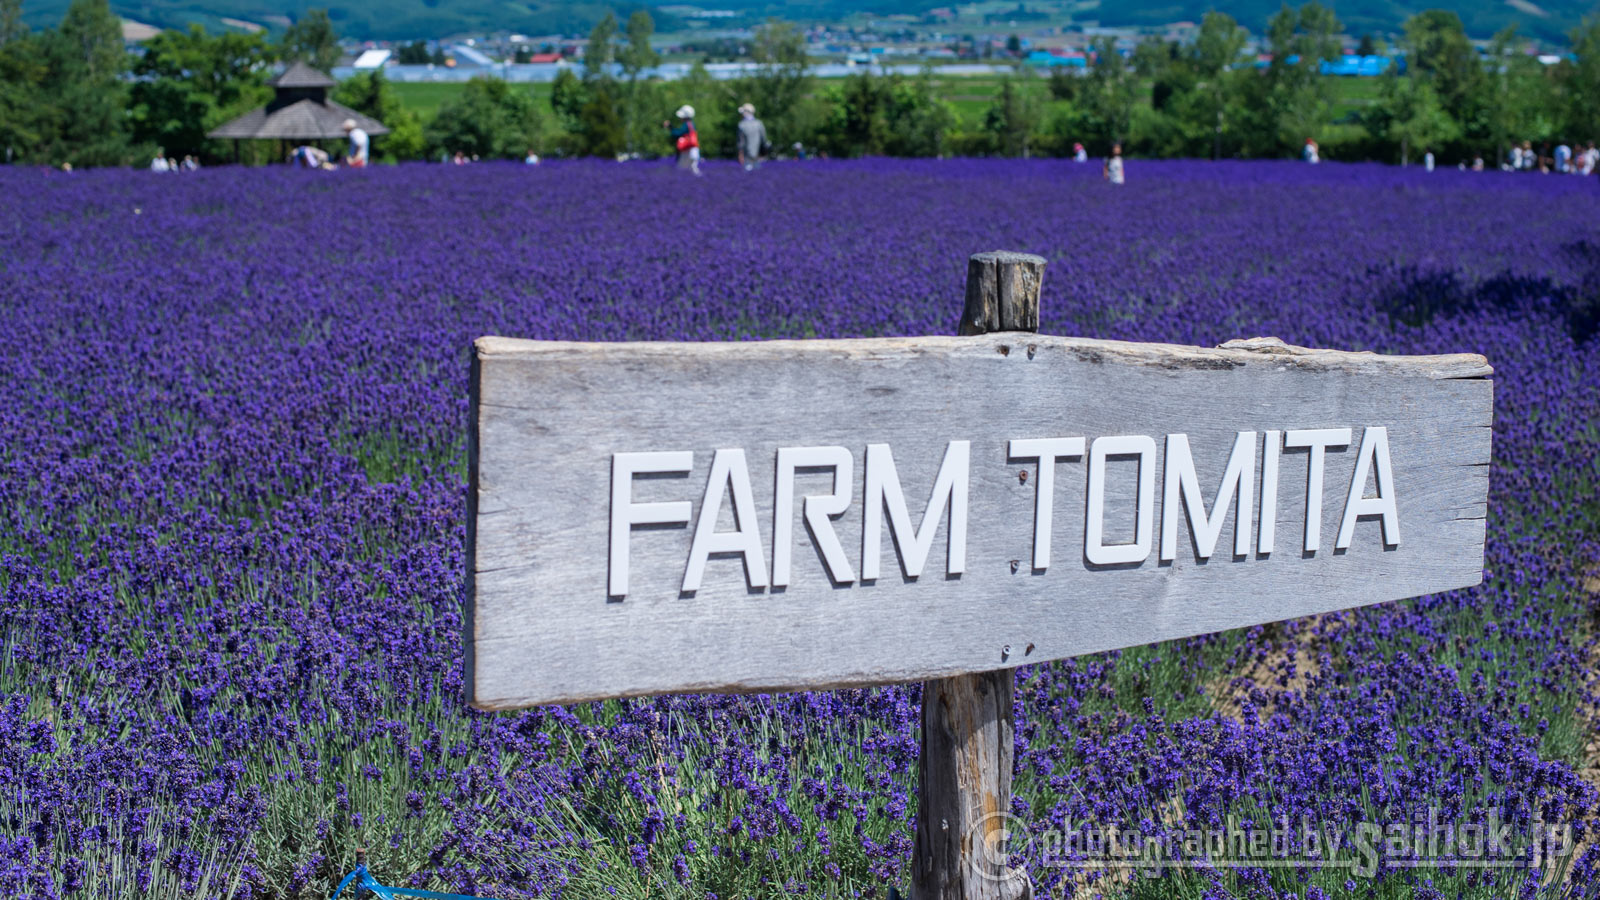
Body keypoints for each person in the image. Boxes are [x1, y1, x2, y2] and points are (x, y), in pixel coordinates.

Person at [665, 104, 701, 176]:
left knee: (685, 168)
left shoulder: (687, 124)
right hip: (692, 149)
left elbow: (678, 133)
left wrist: (670, 127)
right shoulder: (691, 124)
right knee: (691, 168)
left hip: (688, 150)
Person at [736, 102, 768, 171]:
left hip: (746, 155)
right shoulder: (759, 124)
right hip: (758, 155)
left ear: (746, 112)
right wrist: (763, 153)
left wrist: (740, 154)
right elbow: (764, 140)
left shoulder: (741, 125)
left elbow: (740, 142)